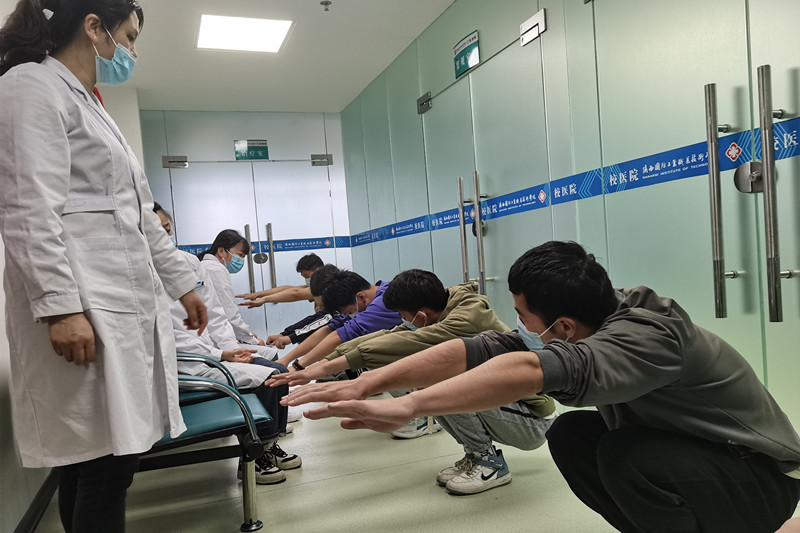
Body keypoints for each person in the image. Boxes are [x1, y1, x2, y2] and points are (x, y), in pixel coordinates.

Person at [285, 241, 800, 531]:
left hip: (760, 477)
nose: (520, 325)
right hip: (701, 459)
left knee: (626, 455)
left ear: (565, 326)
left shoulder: (647, 335)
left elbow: (532, 371)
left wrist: (408, 407)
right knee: (574, 436)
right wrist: (368, 382)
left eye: (524, 315)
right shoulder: (594, 315)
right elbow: (475, 349)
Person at [0, 2, 208, 531]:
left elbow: (139, 215)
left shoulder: (91, 106)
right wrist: (61, 308)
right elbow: (27, 208)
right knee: (104, 465)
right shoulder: (31, 86)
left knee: (99, 461)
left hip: (114, 307)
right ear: (93, 27)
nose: (131, 52)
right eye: (129, 37)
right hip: (85, 307)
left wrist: (183, 284)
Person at [273, 270, 554, 492]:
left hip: (532, 417)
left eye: (404, 316)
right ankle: (475, 455)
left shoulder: (462, 320)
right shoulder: (442, 309)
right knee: (430, 380)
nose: (401, 321)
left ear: (421, 315)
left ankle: (488, 462)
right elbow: (391, 335)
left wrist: (317, 368)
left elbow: (403, 341)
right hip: (509, 408)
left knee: (441, 379)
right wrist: (317, 366)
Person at [275, 270, 402, 371]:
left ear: (361, 297)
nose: (352, 315)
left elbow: (340, 336)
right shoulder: (370, 296)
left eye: (350, 312)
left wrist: (299, 367)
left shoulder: (384, 302)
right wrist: (286, 359)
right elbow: (329, 329)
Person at [197, 230, 266, 347]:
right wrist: (251, 339)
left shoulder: (205, 266)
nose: (241, 260)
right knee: (268, 352)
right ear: (221, 251)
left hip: (210, 334)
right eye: (240, 255)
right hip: (214, 339)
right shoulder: (216, 270)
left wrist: (247, 335)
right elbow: (229, 312)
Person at [266, 264, 342, 349]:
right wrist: (284, 334)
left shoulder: (339, 310)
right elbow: (314, 319)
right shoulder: (334, 301)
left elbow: (295, 294)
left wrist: (290, 338)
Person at [237, 253, 324, 309]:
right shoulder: (315, 285)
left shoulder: (324, 285)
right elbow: (288, 289)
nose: (307, 280)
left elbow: (295, 294)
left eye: (307, 276)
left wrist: (264, 299)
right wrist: (257, 294)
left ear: (318, 270)